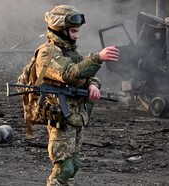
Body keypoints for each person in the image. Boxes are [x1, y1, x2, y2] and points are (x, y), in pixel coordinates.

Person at [37, 5, 119, 186]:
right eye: (73, 31)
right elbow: (68, 73)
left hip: (75, 116)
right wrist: (97, 58)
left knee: (73, 165)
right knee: (63, 168)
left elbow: (87, 75)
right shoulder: (47, 52)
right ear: (60, 28)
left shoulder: (71, 52)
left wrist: (92, 85)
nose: (77, 35)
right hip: (61, 117)